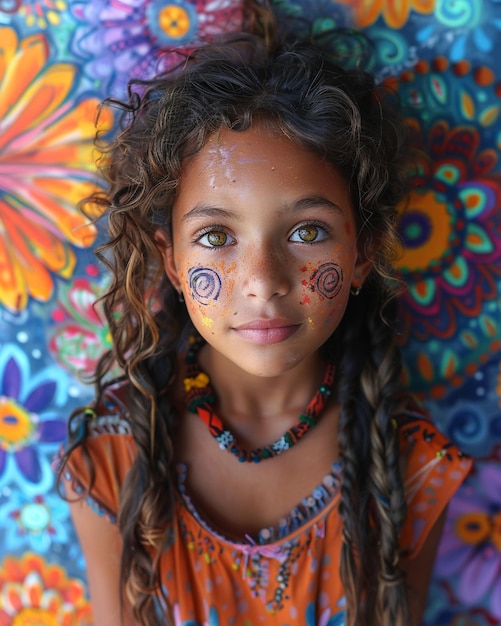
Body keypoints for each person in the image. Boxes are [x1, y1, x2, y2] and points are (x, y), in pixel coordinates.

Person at [56, 5, 472, 625]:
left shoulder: (406, 467)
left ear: (363, 252)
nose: (264, 284)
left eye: (308, 230)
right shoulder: (114, 462)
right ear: (171, 263)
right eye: (217, 237)